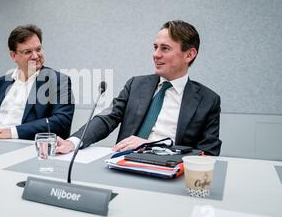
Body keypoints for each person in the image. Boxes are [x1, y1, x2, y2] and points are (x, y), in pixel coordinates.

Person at [57, 20, 221, 156]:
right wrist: (72, 142)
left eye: (165, 48)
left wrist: (154, 146)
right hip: (124, 164)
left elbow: (207, 153)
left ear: (189, 54)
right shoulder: (136, 85)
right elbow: (108, 118)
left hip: (168, 172)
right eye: (155, 47)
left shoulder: (208, 101)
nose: (156, 54)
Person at [0, 24, 74, 140]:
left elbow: (61, 122)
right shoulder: (1, 82)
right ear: (13, 55)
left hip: (23, 145)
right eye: (28, 52)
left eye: (38, 49)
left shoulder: (58, 81)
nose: (35, 56)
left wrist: (12, 132)